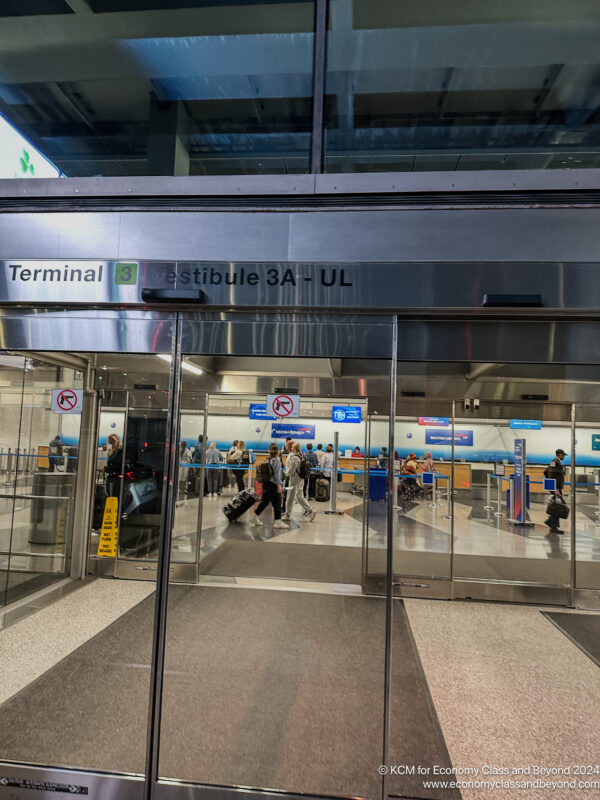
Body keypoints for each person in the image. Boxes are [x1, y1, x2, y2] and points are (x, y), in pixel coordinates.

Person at [252, 444, 289, 529]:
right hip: (274, 485)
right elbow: (277, 474)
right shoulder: (277, 460)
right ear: (278, 452)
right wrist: (279, 485)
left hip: (266, 484)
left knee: (265, 502)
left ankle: (255, 517)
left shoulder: (268, 460)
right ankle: (278, 521)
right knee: (277, 503)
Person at [283, 443, 316, 522]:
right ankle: (311, 511)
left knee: (290, 497)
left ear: (294, 448)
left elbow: (292, 470)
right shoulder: (301, 456)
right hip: (300, 479)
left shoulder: (294, 458)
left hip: (294, 480)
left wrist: (286, 474)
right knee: (299, 496)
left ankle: (287, 515)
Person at [545, 448, 567, 534]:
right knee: (557, 507)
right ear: (560, 454)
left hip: (556, 488)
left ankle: (550, 522)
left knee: (556, 506)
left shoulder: (557, 462)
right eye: (563, 455)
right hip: (556, 488)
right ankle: (553, 526)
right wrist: (555, 489)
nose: (564, 457)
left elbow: (547, 472)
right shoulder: (555, 462)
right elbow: (550, 474)